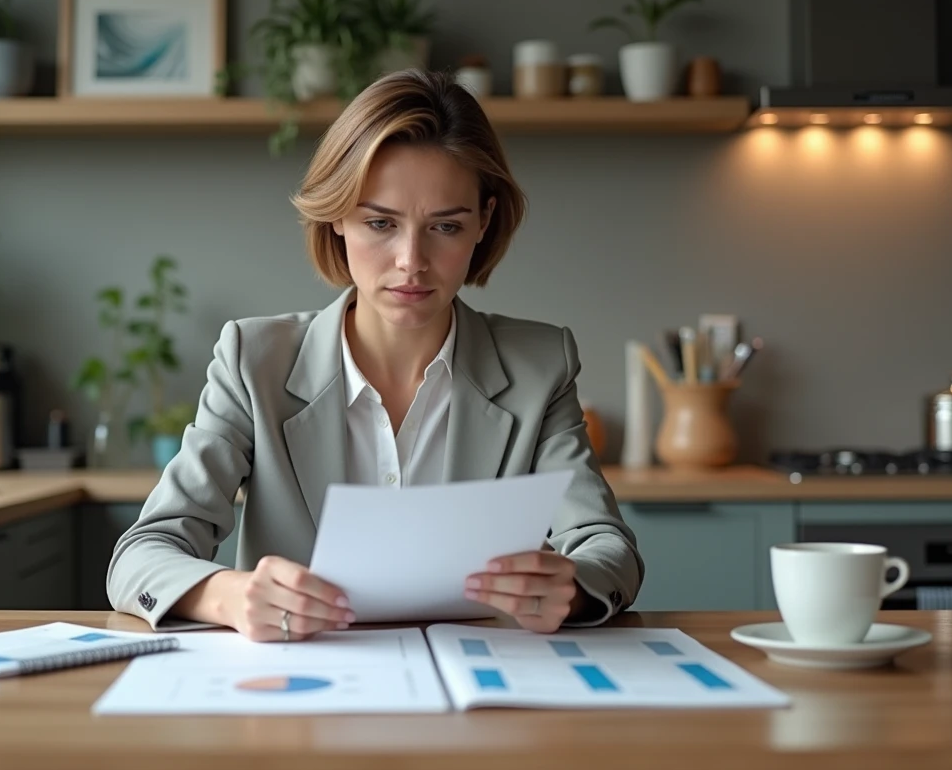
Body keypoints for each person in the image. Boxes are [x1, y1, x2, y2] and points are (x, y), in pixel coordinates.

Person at [107, 69, 645, 642]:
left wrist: (574, 587)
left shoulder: (540, 365)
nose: (411, 260)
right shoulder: (253, 360)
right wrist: (230, 595)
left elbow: (609, 550)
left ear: (484, 222)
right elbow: (141, 556)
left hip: (482, 691)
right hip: (303, 696)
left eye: (445, 226)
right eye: (380, 223)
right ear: (337, 215)